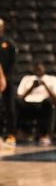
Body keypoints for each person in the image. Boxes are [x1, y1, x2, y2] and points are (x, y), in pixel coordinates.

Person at [16, 62, 56, 146]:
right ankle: (20, 132)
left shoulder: (52, 79)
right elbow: (20, 98)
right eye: (36, 69)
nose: (38, 71)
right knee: (16, 103)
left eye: (40, 68)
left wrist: (45, 85)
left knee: (49, 103)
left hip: (44, 105)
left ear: (44, 68)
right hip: (29, 105)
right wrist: (31, 87)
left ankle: (47, 135)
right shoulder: (27, 78)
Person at [0, 18, 17, 147]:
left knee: (9, 107)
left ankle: (11, 134)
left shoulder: (8, 43)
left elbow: (12, 63)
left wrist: (5, 78)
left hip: (7, 78)